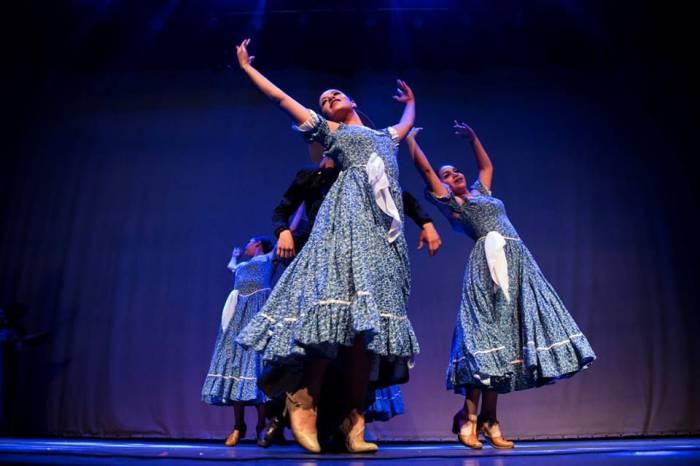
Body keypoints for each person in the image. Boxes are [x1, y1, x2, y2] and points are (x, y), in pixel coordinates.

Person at [234, 38, 420, 453]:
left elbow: (405, 124)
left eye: (335, 93)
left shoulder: (384, 136)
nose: (329, 97)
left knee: (363, 331)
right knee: (332, 311)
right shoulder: (330, 130)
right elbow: (282, 99)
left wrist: (411, 101)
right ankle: (305, 401)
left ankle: (355, 421)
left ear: (352, 99)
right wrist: (248, 69)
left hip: (382, 233)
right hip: (346, 220)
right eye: (323, 98)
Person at [405, 122, 596, 449]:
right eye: (447, 175)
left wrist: (473, 138)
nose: (454, 175)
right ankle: (470, 418)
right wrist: (409, 138)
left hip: (517, 261)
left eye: (455, 171)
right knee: (484, 340)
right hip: (487, 267)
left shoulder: (482, 193)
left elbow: (486, 166)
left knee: (506, 342)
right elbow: (424, 170)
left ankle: (492, 420)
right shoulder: (455, 205)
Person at [201, 236, 275, 446]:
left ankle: (261, 427)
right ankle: (238, 426)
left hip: (257, 311)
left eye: (249, 243)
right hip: (237, 314)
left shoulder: (267, 259)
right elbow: (232, 266)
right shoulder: (242, 264)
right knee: (235, 365)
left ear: (259, 244)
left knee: (257, 367)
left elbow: (286, 238)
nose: (246, 246)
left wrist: (297, 211)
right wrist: (234, 257)